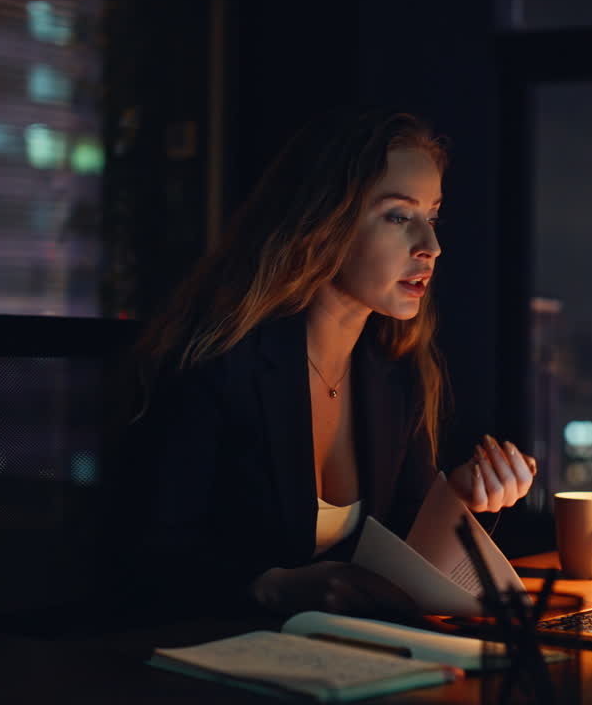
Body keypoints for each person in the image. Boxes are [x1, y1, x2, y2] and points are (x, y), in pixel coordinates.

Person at [124, 109, 535, 621]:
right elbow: (145, 560)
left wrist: (458, 495)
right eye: (398, 216)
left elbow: (403, 561)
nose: (431, 246)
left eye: (431, 217)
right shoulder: (219, 361)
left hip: (341, 666)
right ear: (324, 221)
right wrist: (270, 588)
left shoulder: (393, 373)